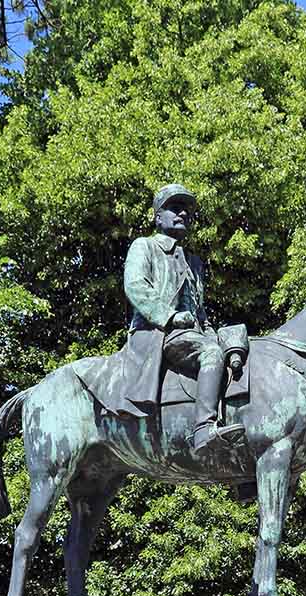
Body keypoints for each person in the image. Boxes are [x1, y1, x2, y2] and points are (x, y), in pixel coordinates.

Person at [120, 183, 244, 456]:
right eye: (174, 208)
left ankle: (244, 462)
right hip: (158, 332)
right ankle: (203, 430)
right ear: (157, 217)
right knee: (211, 353)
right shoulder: (145, 247)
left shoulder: (194, 263)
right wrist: (170, 317)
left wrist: (213, 334)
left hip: (191, 335)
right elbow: (136, 286)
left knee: (238, 353)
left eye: (187, 210)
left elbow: (199, 311)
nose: (183, 214)